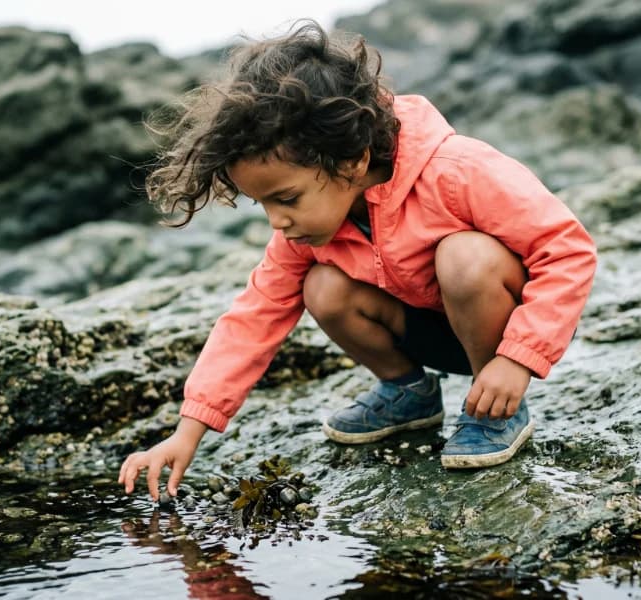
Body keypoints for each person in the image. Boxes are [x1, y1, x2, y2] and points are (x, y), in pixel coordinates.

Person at [118, 21, 597, 500]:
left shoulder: (458, 171)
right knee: (322, 287)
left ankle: (496, 411)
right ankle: (407, 393)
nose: (276, 222)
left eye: (286, 198)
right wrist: (188, 430)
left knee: (464, 257)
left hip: (507, 326)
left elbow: (568, 251)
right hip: (431, 333)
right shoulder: (305, 233)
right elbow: (253, 317)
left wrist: (517, 360)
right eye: (262, 204)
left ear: (353, 161)